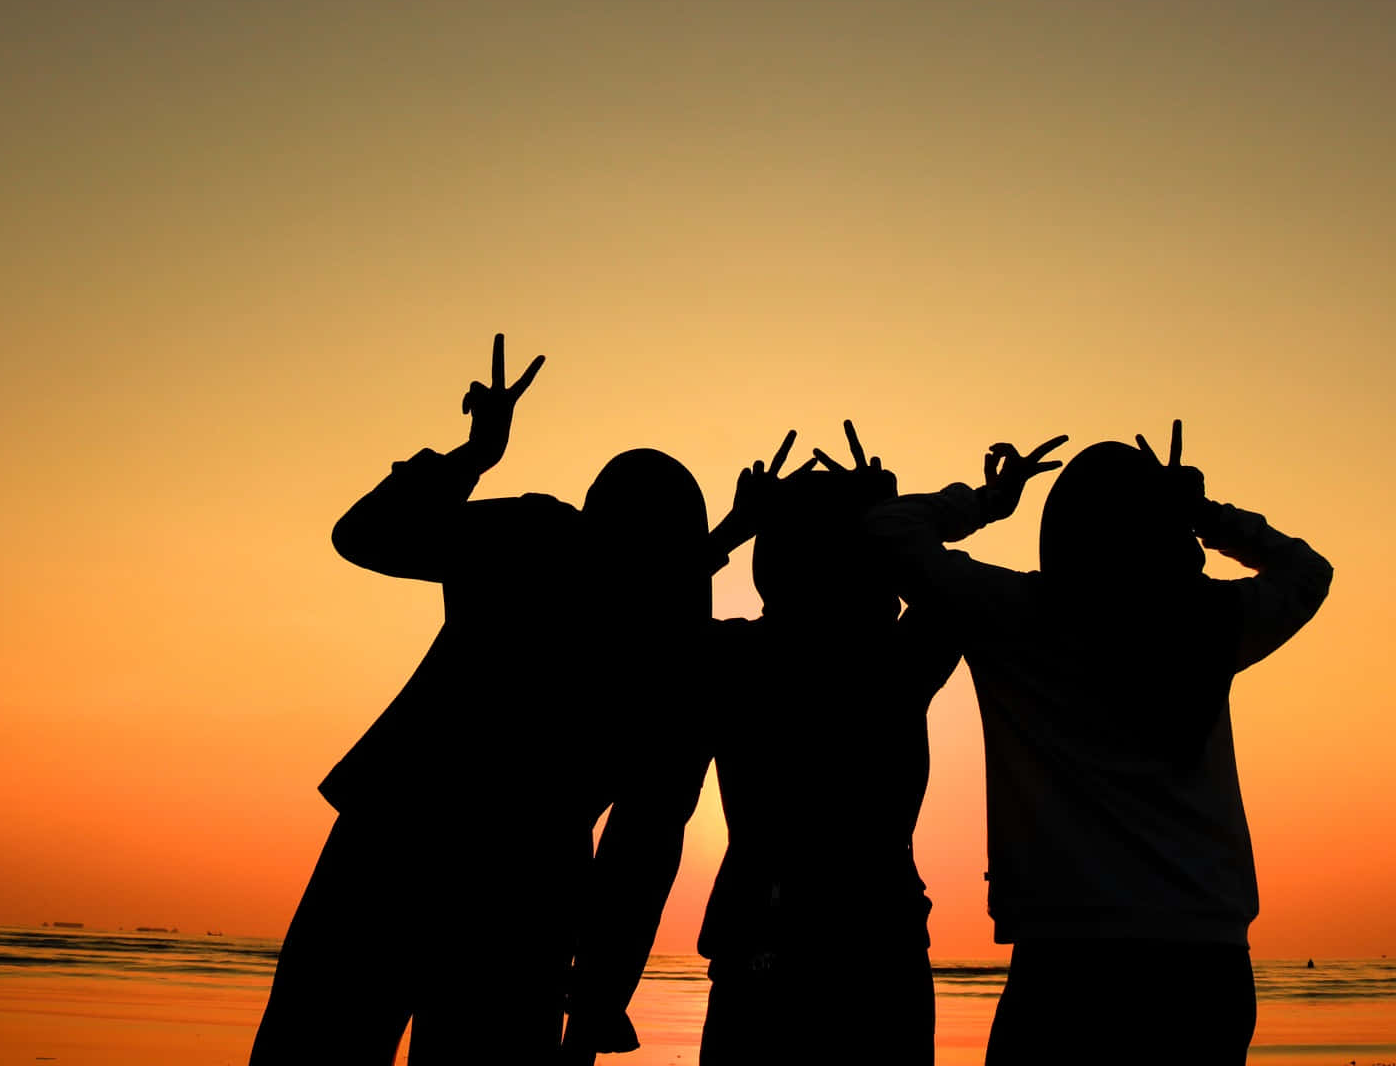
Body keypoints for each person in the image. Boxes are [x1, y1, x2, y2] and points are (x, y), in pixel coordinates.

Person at [251, 334, 721, 1065]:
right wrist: (597, 1001)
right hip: (509, 892)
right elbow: (645, 845)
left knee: (312, 1047)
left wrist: (473, 456)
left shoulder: (536, 538)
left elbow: (365, 533)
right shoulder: (675, 646)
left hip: (405, 851)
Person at [866, 422, 1333, 1064]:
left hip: (1065, 955)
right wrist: (1202, 514)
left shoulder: (1013, 612)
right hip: (1206, 957)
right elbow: (1307, 571)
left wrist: (981, 503)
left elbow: (887, 533)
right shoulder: (1211, 622)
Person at [565, 423, 956, 1066]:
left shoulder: (730, 660)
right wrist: (889, 516)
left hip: (758, 949)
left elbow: (644, 616)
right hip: (879, 950)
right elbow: (944, 587)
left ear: (771, 561)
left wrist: (733, 528)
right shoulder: (897, 661)